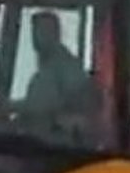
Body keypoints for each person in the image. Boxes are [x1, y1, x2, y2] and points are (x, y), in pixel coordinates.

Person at [5, 11, 100, 142]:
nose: (36, 37)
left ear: (56, 34)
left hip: (55, 141)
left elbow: (42, 106)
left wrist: (9, 106)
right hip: (42, 135)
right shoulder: (48, 67)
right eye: (35, 31)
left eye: (43, 31)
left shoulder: (65, 66)